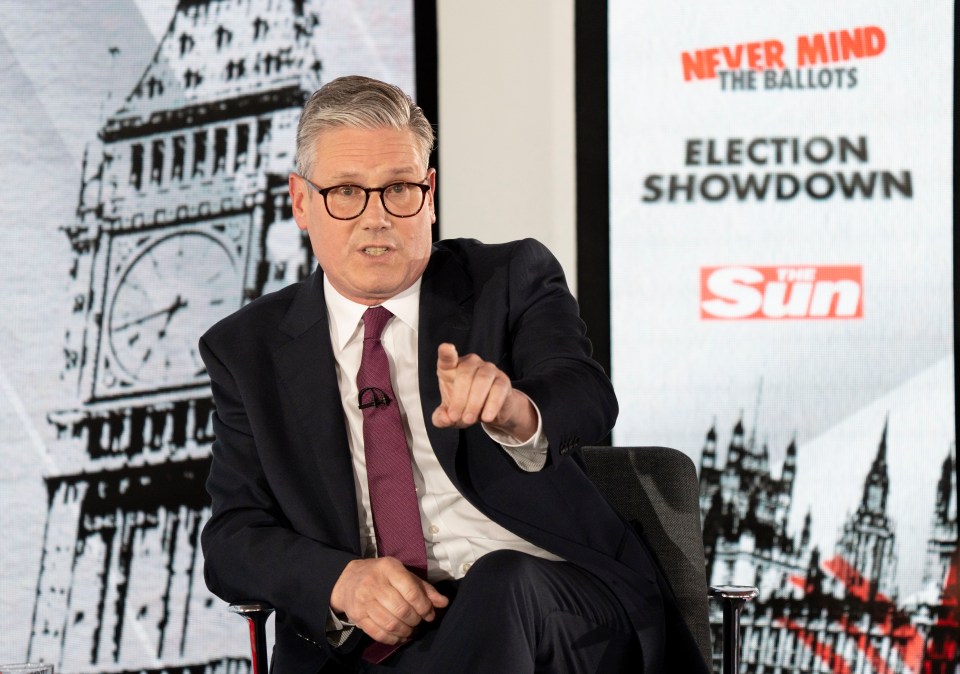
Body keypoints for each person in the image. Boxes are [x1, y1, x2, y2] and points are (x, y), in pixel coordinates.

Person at [199, 75, 707, 673]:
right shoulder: (247, 348)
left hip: (557, 610)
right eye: (345, 193)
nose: (376, 218)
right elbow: (232, 539)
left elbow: (585, 393)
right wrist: (341, 583)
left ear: (430, 193)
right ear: (302, 202)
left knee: (502, 581)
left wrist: (517, 410)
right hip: (370, 642)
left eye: (398, 190)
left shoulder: (509, 279)